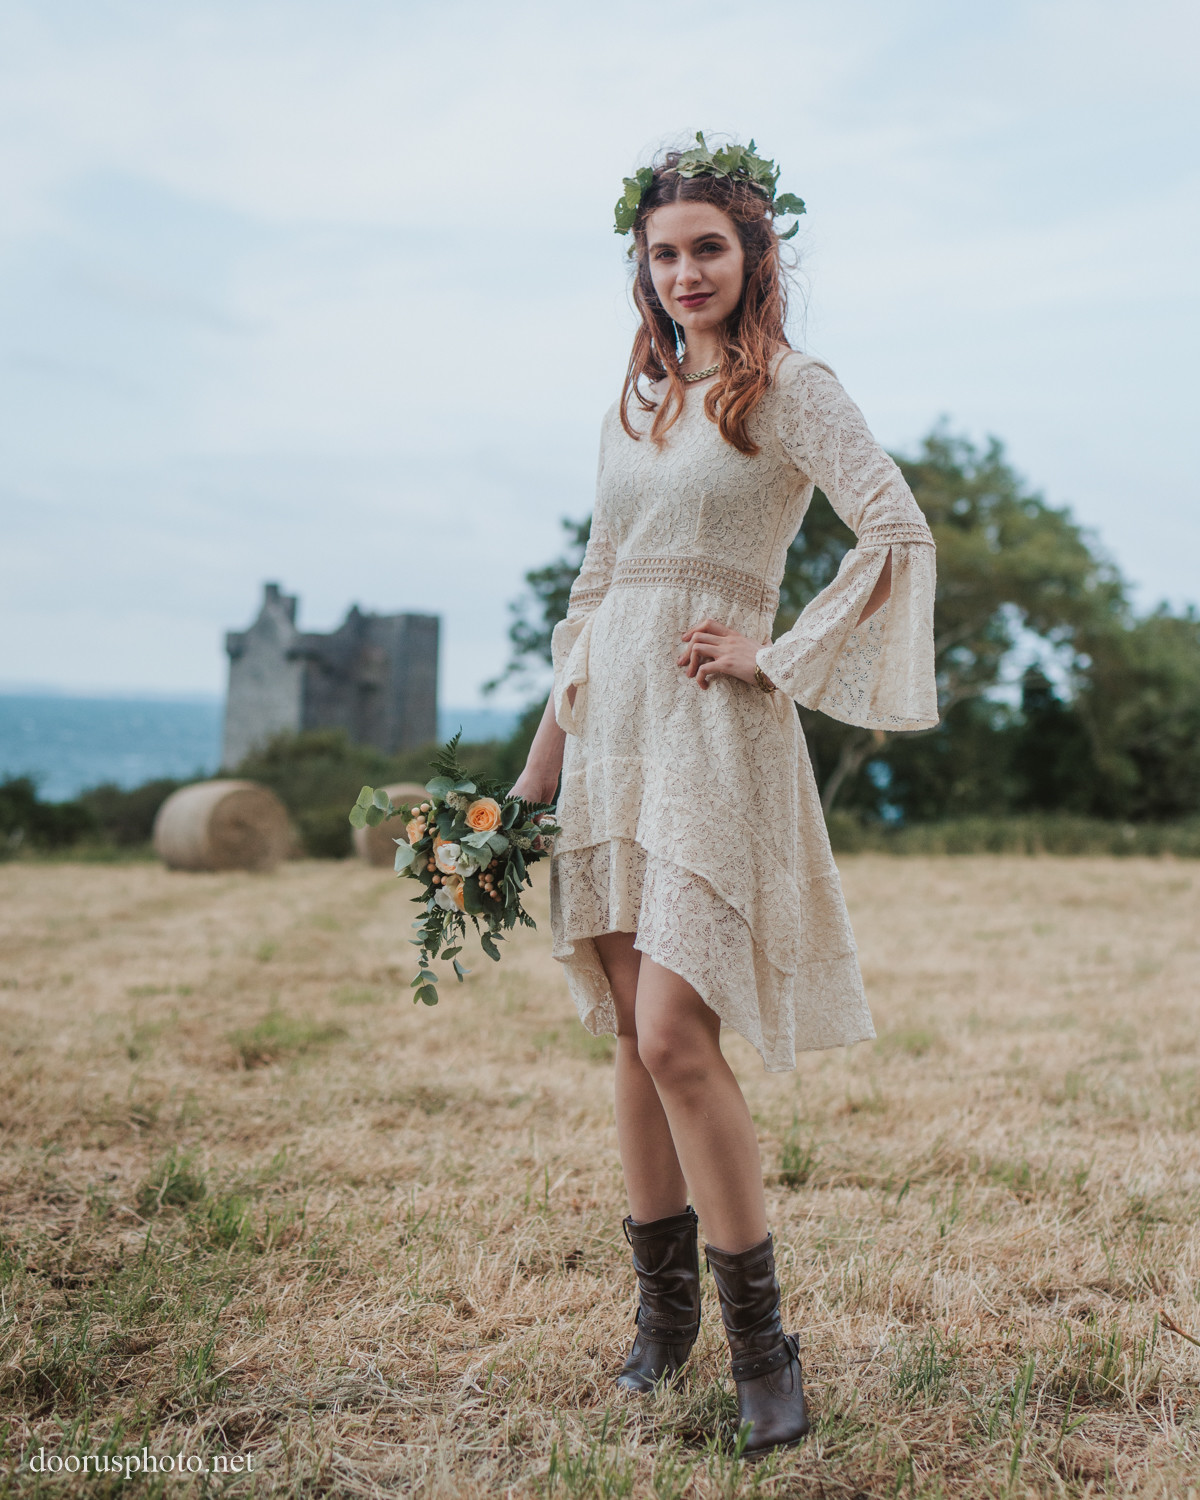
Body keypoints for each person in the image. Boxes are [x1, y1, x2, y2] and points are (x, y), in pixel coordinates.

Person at [509, 135, 938, 1455]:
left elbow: (896, 529)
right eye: (665, 252)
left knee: (681, 1036)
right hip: (612, 727)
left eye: (710, 246)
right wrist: (532, 776)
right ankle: (662, 1321)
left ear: (755, 256)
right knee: (636, 1037)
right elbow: (593, 597)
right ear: (641, 271)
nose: (687, 270)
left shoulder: (791, 390)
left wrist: (778, 652)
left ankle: (764, 1349)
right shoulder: (634, 406)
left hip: (708, 729)